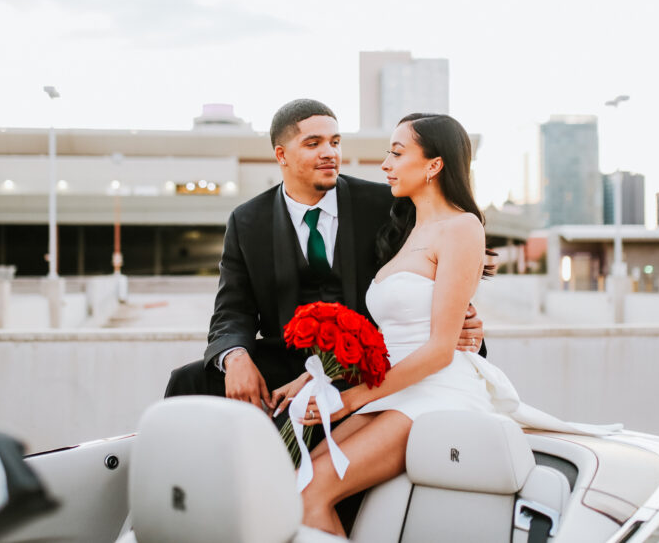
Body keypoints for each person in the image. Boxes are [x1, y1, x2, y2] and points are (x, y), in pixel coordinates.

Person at [292, 113, 616, 537]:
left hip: (434, 390)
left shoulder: (462, 228)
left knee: (311, 492)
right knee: (296, 483)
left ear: (433, 165)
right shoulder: (407, 229)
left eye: (396, 152)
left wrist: (349, 399)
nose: (385, 165)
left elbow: (440, 348)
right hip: (392, 389)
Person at [163, 100, 485, 423]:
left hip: (364, 366)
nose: (330, 152)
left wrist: (465, 323)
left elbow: (435, 268)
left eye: (335, 142)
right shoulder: (247, 222)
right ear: (281, 155)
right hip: (284, 363)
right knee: (188, 382)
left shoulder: (386, 205)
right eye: (313, 143)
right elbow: (231, 310)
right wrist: (235, 357)